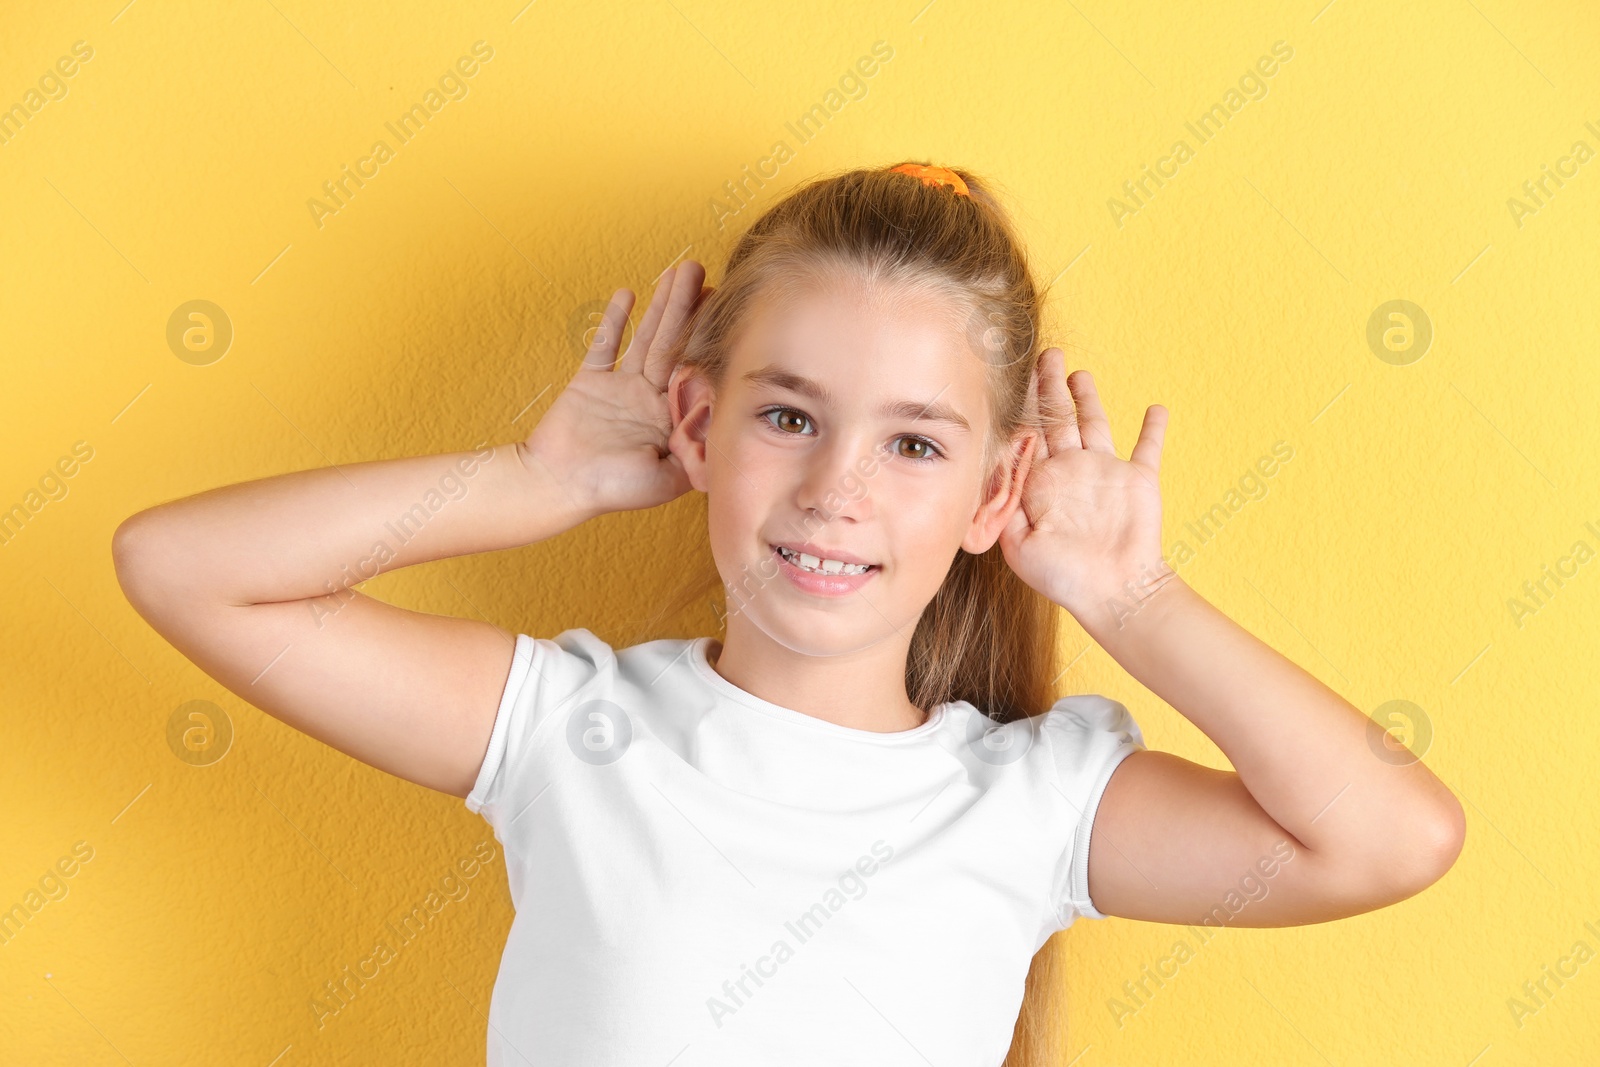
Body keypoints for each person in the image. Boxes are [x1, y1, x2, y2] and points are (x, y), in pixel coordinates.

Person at [112, 162, 1465, 1066]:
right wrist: (535, 482)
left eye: (916, 447)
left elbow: (1393, 836)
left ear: (1000, 491)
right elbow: (183, 567)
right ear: (699, 424)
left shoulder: (1030, 804)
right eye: (787, 416)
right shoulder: (563, 731)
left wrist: (1127, 592)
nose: (837, 490)